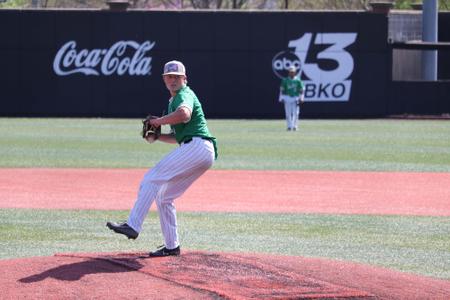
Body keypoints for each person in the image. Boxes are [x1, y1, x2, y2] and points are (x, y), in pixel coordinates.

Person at [107, 60, 218, 257]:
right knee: (164, 196)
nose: (173, 80)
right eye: (169, 77)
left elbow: (184, 114)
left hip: (198, 146)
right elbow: (178, 137)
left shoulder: (185, 94)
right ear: (164, 80)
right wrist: (158, 136)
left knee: (152, 178)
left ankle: (133, 225)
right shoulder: (171, 103)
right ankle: (172, 246)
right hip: (199, 151)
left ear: (185, 79)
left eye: (177, 76)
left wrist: (157, 121)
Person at [279, 66, 305, 131]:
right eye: (290, 72)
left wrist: (301, 97)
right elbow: (282, 90)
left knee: (296, 113)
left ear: (295, 72)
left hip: (295, 97)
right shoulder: (285, 80)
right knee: (288, 113)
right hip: (287, 97)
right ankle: (289, 126)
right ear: (289, 72)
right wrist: (281, 98)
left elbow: (302, 90)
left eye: (293, 72)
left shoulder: (298, 80)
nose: (292, 73)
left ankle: (295, 126)